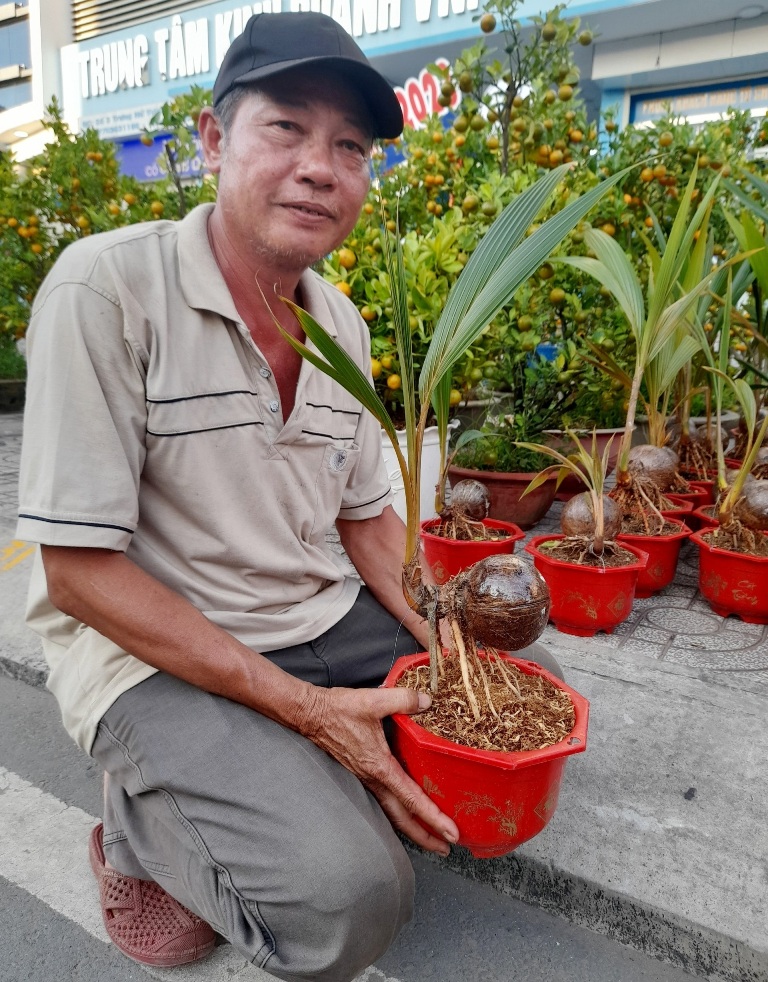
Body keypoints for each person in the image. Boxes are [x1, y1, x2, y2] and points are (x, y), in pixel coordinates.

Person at [18, 11, 561, 981]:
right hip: (152, 646)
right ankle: (139, 834)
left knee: (512, 717)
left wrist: (442, 629)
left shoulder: (338, 321)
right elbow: (78, 575)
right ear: (216, 140)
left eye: (349, 147)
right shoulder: (107, 290)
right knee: (353, 899)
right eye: (287, 129)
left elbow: (364, 517)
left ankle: (251, 767)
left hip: (313, 610)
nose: (321, 166)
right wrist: (307, 709)